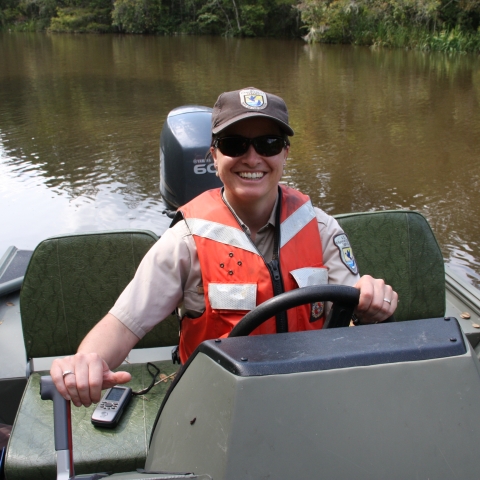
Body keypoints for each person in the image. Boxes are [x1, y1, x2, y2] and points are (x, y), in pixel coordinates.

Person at [51, 87, 398, 407]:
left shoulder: (321, 229)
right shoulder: (185, 242)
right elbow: (123, 324)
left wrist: (372, 300)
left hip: (313, 396)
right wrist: (87, 361)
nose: (252, 158)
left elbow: (356, 303)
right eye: (234, 145)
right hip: (220, 405)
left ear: (285, 154)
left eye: (268, 144)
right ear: (214, 156)